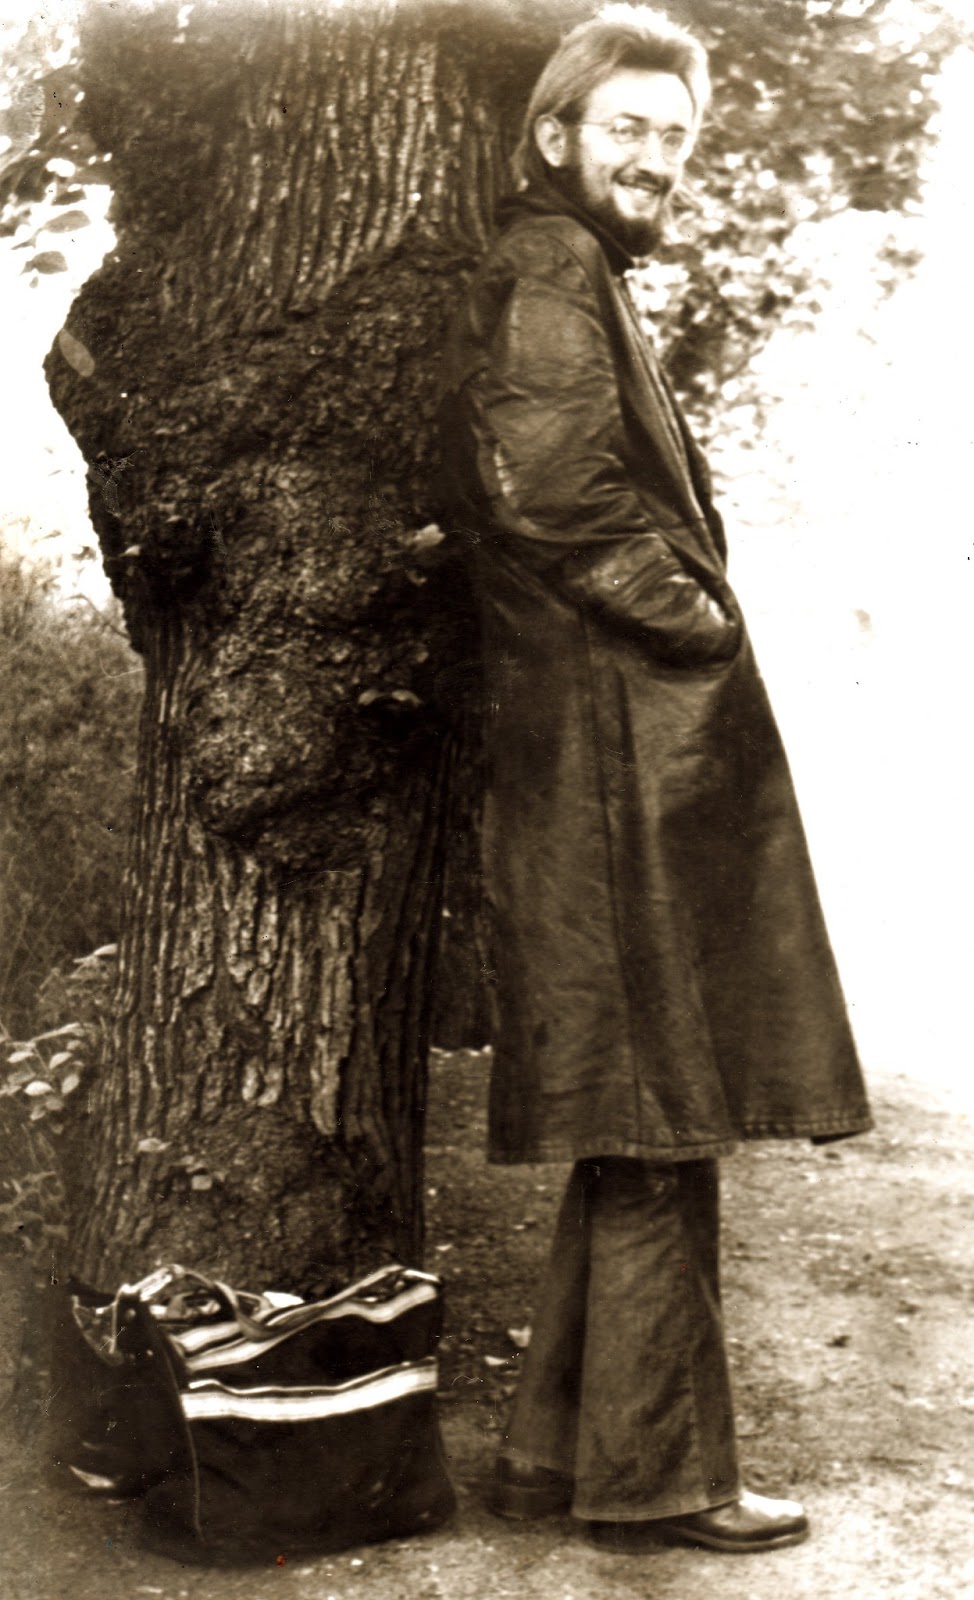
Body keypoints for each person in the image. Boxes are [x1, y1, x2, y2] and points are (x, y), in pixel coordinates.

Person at [438, 2, 872, 1558]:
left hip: (604, 749)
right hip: (613, 751)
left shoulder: (563, 262)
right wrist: (697, 623)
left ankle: (551, 1458)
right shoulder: (555, 265)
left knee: (640, 1111)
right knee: (660, 1112)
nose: (653, 156)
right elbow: (554, 493)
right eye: (626, 126)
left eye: (672, 135)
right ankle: (659, 1484)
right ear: (555, 132)